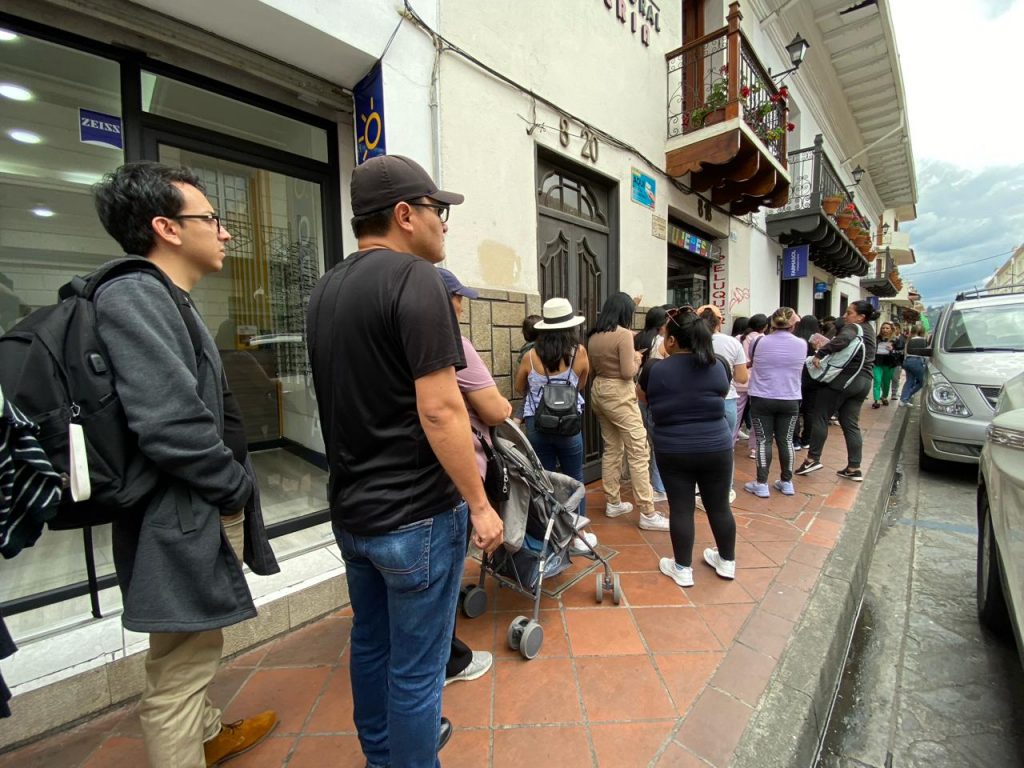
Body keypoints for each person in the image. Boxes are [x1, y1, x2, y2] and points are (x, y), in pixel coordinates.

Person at [307, 154, 503, 768]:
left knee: (370, 646)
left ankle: (382, 759)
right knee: (418, 672)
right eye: (436, 211)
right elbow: (443, 410)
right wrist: (480, 504)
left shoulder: (324, 289)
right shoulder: (415, 279)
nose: (443, 224)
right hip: (416, 515)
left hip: (353, 513)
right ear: (402, 215)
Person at [92, 162, 279, 768]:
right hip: (179, 512)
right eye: (212, 219)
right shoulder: (136, 295)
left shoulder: (165, 297)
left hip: (189, 508)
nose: (224, 233)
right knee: (179, 668)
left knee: (192, 641)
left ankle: (207, 733)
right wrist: (231, 488)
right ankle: (189, 739)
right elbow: (169, 423)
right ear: (166, 228)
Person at [437, 268, 505, 687]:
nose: (462, 306)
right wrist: (481, 507)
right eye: (459, 298)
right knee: (441, 583)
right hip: (453, 477)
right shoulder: (451, 343)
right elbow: (496, 409)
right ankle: (448, 662)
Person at [639, 307, 736, 587]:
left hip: (674, 448)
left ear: (671, 341)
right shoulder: (719, 364)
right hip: (716, 446)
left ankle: (682, 568)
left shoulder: (655, 368)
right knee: (719, 506)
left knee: (681, 507)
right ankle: (727, 561)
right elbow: (721, 389)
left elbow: (642, 397)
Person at [587, 292, 668, 531]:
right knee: (639, 449)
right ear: (625, 313)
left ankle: (613, 502)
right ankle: (648, 512)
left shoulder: (593, 335)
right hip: (619, 392)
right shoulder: (623, 334)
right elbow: (626, 372)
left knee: (612, 447)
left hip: (599, 389)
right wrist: (636, 359)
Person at [514, 297, 590, 520]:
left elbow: (520, 388)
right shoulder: (581, 353)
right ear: (571, 327)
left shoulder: (530, 356)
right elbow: (582, 384)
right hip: (569, 424)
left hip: (537, 425)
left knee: (544, 479)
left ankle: (550, 530)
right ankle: (576, 532)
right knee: (575, 477)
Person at [795, 300, 879, 482]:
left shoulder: (854, 328)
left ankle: (812, 459)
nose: (845, 316)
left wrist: (820, 353)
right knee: (850, 423)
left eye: (849, 312)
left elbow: (843, 340)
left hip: (845, 380)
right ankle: (854, 467)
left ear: (860, 316)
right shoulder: (869, 330)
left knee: (820, 415)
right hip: (864, 381)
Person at [745, 308, 808, 497]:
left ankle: (761, 483)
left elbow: (752, 360)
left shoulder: (758, 341)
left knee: (764, 440)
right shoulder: (802, 344)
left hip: (762, 397)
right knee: (786, 440)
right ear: (793, 323)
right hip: (790, 398)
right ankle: (787, 482)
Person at [697, 304, 747, 503]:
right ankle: (724, 491)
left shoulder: (693, 342)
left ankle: (700, 490)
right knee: (726, 448)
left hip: (698, 401)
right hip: (727, 400)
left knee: (700, 446)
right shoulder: (732, 343)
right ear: (719, 322)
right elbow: (742, 378)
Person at [634, 306, 670, 503]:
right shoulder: (662, 342)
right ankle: (658, 486)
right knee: (658, 442)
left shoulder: (638, 338)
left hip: (639, 391)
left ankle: (648, 481)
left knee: (645, 438)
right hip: (657, 393)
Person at [738, 314, 769, 456]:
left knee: (735, 418)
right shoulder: (763, 340)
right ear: (765, 327)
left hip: (739, 380)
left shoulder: (738, 338)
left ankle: (729, 444)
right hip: (757, 382)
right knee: (757, 416)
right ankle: (754, 448)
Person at [793, 315, 823, 450]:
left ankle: (795, 440)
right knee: (809, 411)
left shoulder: (795, 338)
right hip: (812, 378)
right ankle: (807, 439)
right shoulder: (819, 340)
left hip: (796, 377)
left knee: (795, 409)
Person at [899, 322, 927, 406]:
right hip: (916, 361)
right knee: (922, 381)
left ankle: (903, 400)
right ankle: (906, 396)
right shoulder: (922, 340)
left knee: (909, 381)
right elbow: (925, 353)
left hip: (907, 361)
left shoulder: (909, 340)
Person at [872, 321, 898, 408]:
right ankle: (876, 400)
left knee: (886, 382)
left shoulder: (895, 340)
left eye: (887, 328)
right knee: (877, 380)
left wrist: (892, 350)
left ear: (891, 330)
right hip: (877, 362)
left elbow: (899, 353)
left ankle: (884, 397)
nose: (885, 330)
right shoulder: (876, 339)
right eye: (883, 328)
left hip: (889, 363)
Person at [889, 321, 906, 400]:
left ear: (899, 329)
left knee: (895, 378)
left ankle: (894, 393)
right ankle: (884, 393)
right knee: (885, 379)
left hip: (898, 361)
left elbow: (902, 349)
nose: (893, 330)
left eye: (895, 329)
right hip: (887, 360)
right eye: (892, 329)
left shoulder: (903, 338)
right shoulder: (888, 338)